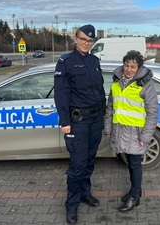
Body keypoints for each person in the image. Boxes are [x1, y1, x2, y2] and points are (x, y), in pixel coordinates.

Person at [54, 24, 106, 224]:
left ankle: (85, 193)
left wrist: (102, 113)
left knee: (90, 160)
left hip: (95, 119)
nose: (86, 43)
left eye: (90, 41)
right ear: (75, 39)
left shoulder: (94, 61)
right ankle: (72, 205)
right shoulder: (65, 62)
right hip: (78, 122)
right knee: (78, 164)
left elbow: (100, 90)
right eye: (83, 39)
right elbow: (61, 93)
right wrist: (65, 121)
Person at [104, 50, 158, 213]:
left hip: (136, 133)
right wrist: (108, 128)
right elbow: (110, 107)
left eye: (133, 66)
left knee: (135, 164)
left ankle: (135, 197)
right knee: (130, 163)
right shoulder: (117, 82)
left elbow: (153, 112)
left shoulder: (145, 84)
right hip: (120, 130)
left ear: (139, 68)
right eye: (127, 65)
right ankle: (135, 191)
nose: (128, 69)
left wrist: (146, 136)